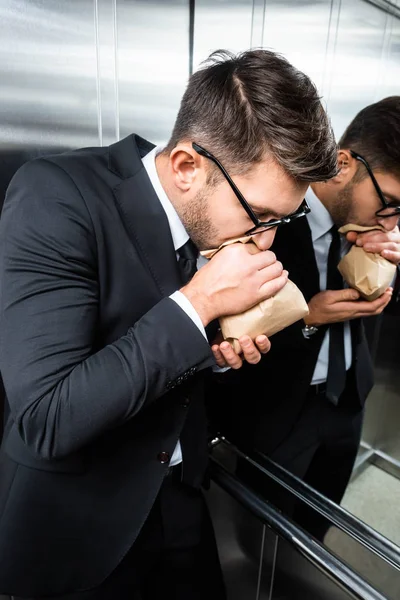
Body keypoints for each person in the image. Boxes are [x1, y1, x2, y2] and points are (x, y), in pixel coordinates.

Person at [0, 49, 337, 599]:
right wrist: (198, 304)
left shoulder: (216, 221)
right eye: (260, 216)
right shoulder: (57, 196)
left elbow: (159, 357)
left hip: (181, 500)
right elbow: (45, 419)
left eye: (285, 219)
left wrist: (213, 354)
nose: (266, 240)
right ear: (187, 167)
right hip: (74, 531)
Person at [211, 96, 400, 542]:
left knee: (318, 527)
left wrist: (392, 263)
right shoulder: (265, 222)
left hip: (351, 398)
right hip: (278, 410)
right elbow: (224, 338)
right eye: (389, 201)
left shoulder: (381, 230)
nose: (390, 220)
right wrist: (308, 318)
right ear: (343, 163)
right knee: (261, 539)